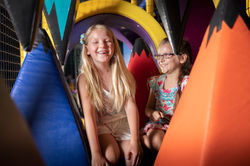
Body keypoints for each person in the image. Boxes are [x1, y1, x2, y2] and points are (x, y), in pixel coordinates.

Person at [77, 24, 142, 166]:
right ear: (87, 49)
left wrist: (135, 141)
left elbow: (131, 106)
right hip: (103, 125)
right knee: (111, 156)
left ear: (113, 45)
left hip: (122, 123)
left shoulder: (122, 74)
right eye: (95, 42)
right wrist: (96, 153)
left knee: (133, 159)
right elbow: (89, 116)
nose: (103, 45)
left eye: (107, 41)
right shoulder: (85, 79)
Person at [141, 38, 193, 151]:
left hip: (179, 128)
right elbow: (148, 108)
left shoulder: (187, 82)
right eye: (159, 56)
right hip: (159, 126)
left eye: (166, 56)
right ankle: (145, 141)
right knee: (156, 139)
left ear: (182, 58)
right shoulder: (156, 82)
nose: (161, 60)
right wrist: (153, 113)